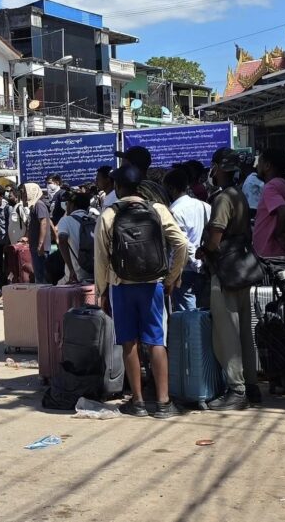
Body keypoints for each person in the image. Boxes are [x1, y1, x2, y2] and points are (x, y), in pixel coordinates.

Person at [94, 165, 188, 419]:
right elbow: (181, 243)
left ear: (117, 187)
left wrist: (101, 291)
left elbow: (101, 257)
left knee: (129, 343)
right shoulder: (157, 210)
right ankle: (164, 402)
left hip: (121, 286)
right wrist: (172, 277)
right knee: (156, 341)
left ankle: (137, 402)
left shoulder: (109, 214)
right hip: (153, 285)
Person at [200, 149, 260, 409]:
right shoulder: (240, 194)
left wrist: (205, 251)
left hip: (225, 271)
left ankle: (236, 390)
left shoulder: (223, 198)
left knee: (227, 334)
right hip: (242, 269)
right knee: (244, 331)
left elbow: (215, 239)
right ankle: (251, 386)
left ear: (217, 168)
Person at [163, 168, 210, 311]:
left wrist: (196, 264)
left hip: (185, 270)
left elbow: (183, 243)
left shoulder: (174, 211)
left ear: (171, 188)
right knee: (203, 312)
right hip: (205, 268)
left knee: (188, 315)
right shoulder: (205, 206)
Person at [254, 148, 285, 259]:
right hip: (283, 254)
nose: (257, 166)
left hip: (270, 255)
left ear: (267, 166)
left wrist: (278, 234)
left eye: (259, 162)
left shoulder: (271, 186)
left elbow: (283, 212)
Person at [56, 190, 95, 285]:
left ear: (72, 205)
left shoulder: (66, 220)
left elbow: (62, 240)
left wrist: (71, 269)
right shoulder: (93, 220)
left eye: (67, 204)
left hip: (75, 275)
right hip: (93, 272)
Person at [24, 183, 50, 284]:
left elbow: (43, 223)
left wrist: (40, 244)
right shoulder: (34, 205)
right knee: (38, 276)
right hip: (35, 246)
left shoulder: (39, 204)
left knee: (42, 277)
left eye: (26, 192)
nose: (25, 195)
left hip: (40, 248)